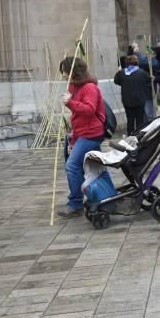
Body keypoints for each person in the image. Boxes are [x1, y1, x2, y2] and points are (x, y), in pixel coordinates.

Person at [57, 57, 107, 217]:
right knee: (96, 166)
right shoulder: (74, 87)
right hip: (82, 132)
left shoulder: (89, 88)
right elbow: (78, 118)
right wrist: (73, 139)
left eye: (64, 71)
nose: (63, 75)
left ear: (74, 71)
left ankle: (75, 202)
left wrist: (70, 103)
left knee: (72, 166)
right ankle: (105, 196)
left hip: (92, 133)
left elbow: (89, 110)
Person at [113, 54, 151, 135]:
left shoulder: (122, 73)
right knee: (140, 121)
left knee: (130, 120)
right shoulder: (142, 72)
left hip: (127, 101)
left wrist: (119, 72)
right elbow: (149, 80)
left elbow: (116, 81)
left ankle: (130, 135)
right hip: (139, 100)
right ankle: (139, 136)